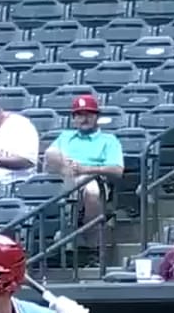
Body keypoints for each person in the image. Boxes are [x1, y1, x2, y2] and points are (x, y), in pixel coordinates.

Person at [42, 94, 125, 238]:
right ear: (73, 118)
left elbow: (118, 170)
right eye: (80, 114)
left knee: (91, 190)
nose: (84, 118)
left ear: (97, 117)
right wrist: (69, 167)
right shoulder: (65, 137)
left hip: (93, 180)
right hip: (64, 179)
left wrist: (85, 169)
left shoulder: (109, 140)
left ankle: (92, 243)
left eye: (89, 114)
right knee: (51, 152)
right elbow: (49, 159)